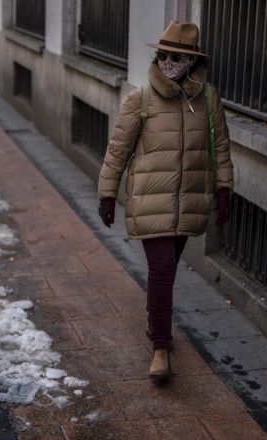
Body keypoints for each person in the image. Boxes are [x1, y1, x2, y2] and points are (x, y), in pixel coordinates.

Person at [97, 21, 233, 382]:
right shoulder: (140, 99)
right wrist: (108, 193)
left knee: (167, 271)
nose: (172, 62)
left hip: (190, 200)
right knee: (161, 270)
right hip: (149, 201)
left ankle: (153, 320)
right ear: (158, 55)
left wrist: (224, 188)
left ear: (192, 61)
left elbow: (220, 147)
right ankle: (161, 347)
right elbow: (117, 151)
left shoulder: (208, 98)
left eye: (181, 56)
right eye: (168, 55)